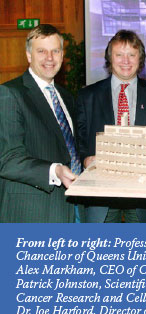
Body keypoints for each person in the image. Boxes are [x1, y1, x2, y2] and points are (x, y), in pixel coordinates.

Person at [77, 29, 146, 223]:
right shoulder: (87, 97)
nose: (125, 61)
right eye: (119, 55)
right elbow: (77, 141)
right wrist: (85, 159)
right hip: (100, 193)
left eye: (132, 55)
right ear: (109, 59)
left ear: (140, 59)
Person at [0, 24, 83, 223]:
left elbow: (67, 148)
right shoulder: (9, 94)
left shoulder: (66, 97)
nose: (49, 58)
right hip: (31, 213)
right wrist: (54, 170)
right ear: (29, 55)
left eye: (55, 51)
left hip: (70, 209)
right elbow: (7, 159)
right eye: (41, 51)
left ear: (62, 55)